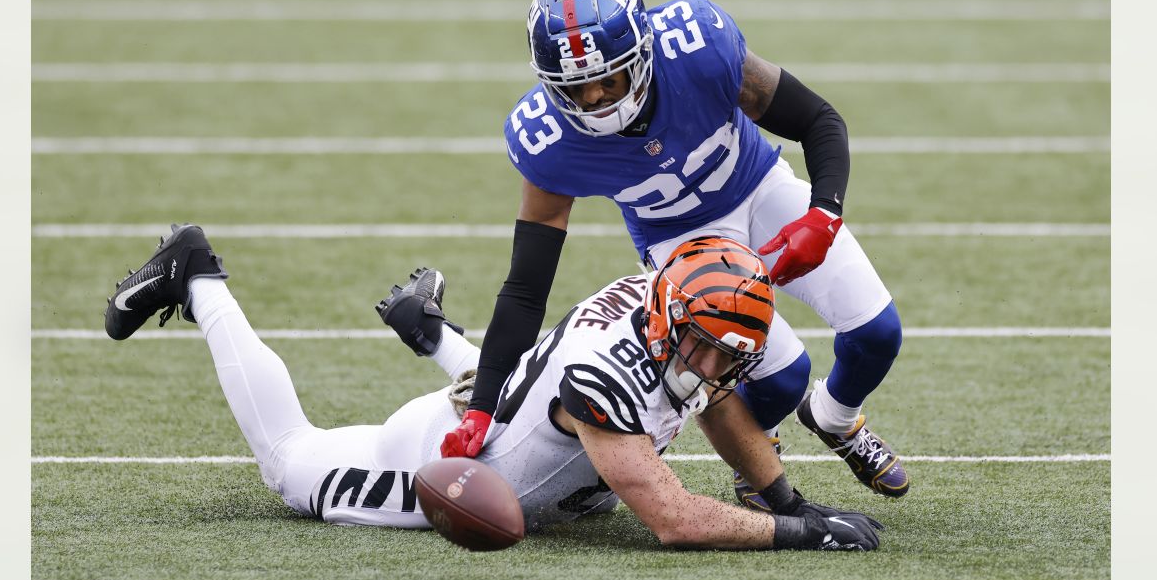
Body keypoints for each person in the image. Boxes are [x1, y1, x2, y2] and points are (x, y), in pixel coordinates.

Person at [103, 224, 883, 551]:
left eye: (727, 354)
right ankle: (196, 275)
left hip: (527, 421)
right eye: (706, 349)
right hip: (439, 463)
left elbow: (713, 400)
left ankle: (432, 330)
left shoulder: (662, 309)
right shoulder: (612, 374)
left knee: (565, 441)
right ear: (673, 318)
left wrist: (785, 498)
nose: (714, 369)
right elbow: (673, 518)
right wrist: (797, 536)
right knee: (286, 459)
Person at [444, 0, 908, 502]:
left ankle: (834, 418)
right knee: (782, 376)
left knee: (878, 334)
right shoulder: (549, 139)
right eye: (575, 87)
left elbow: (819, 120)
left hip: (759, 186)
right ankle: (756, 459)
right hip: (680, 242)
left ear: (641, 54)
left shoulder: (697, 47)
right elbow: (526, 286)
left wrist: (823, 214)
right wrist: (482, 406)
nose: (594, 98)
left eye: (606, 78)